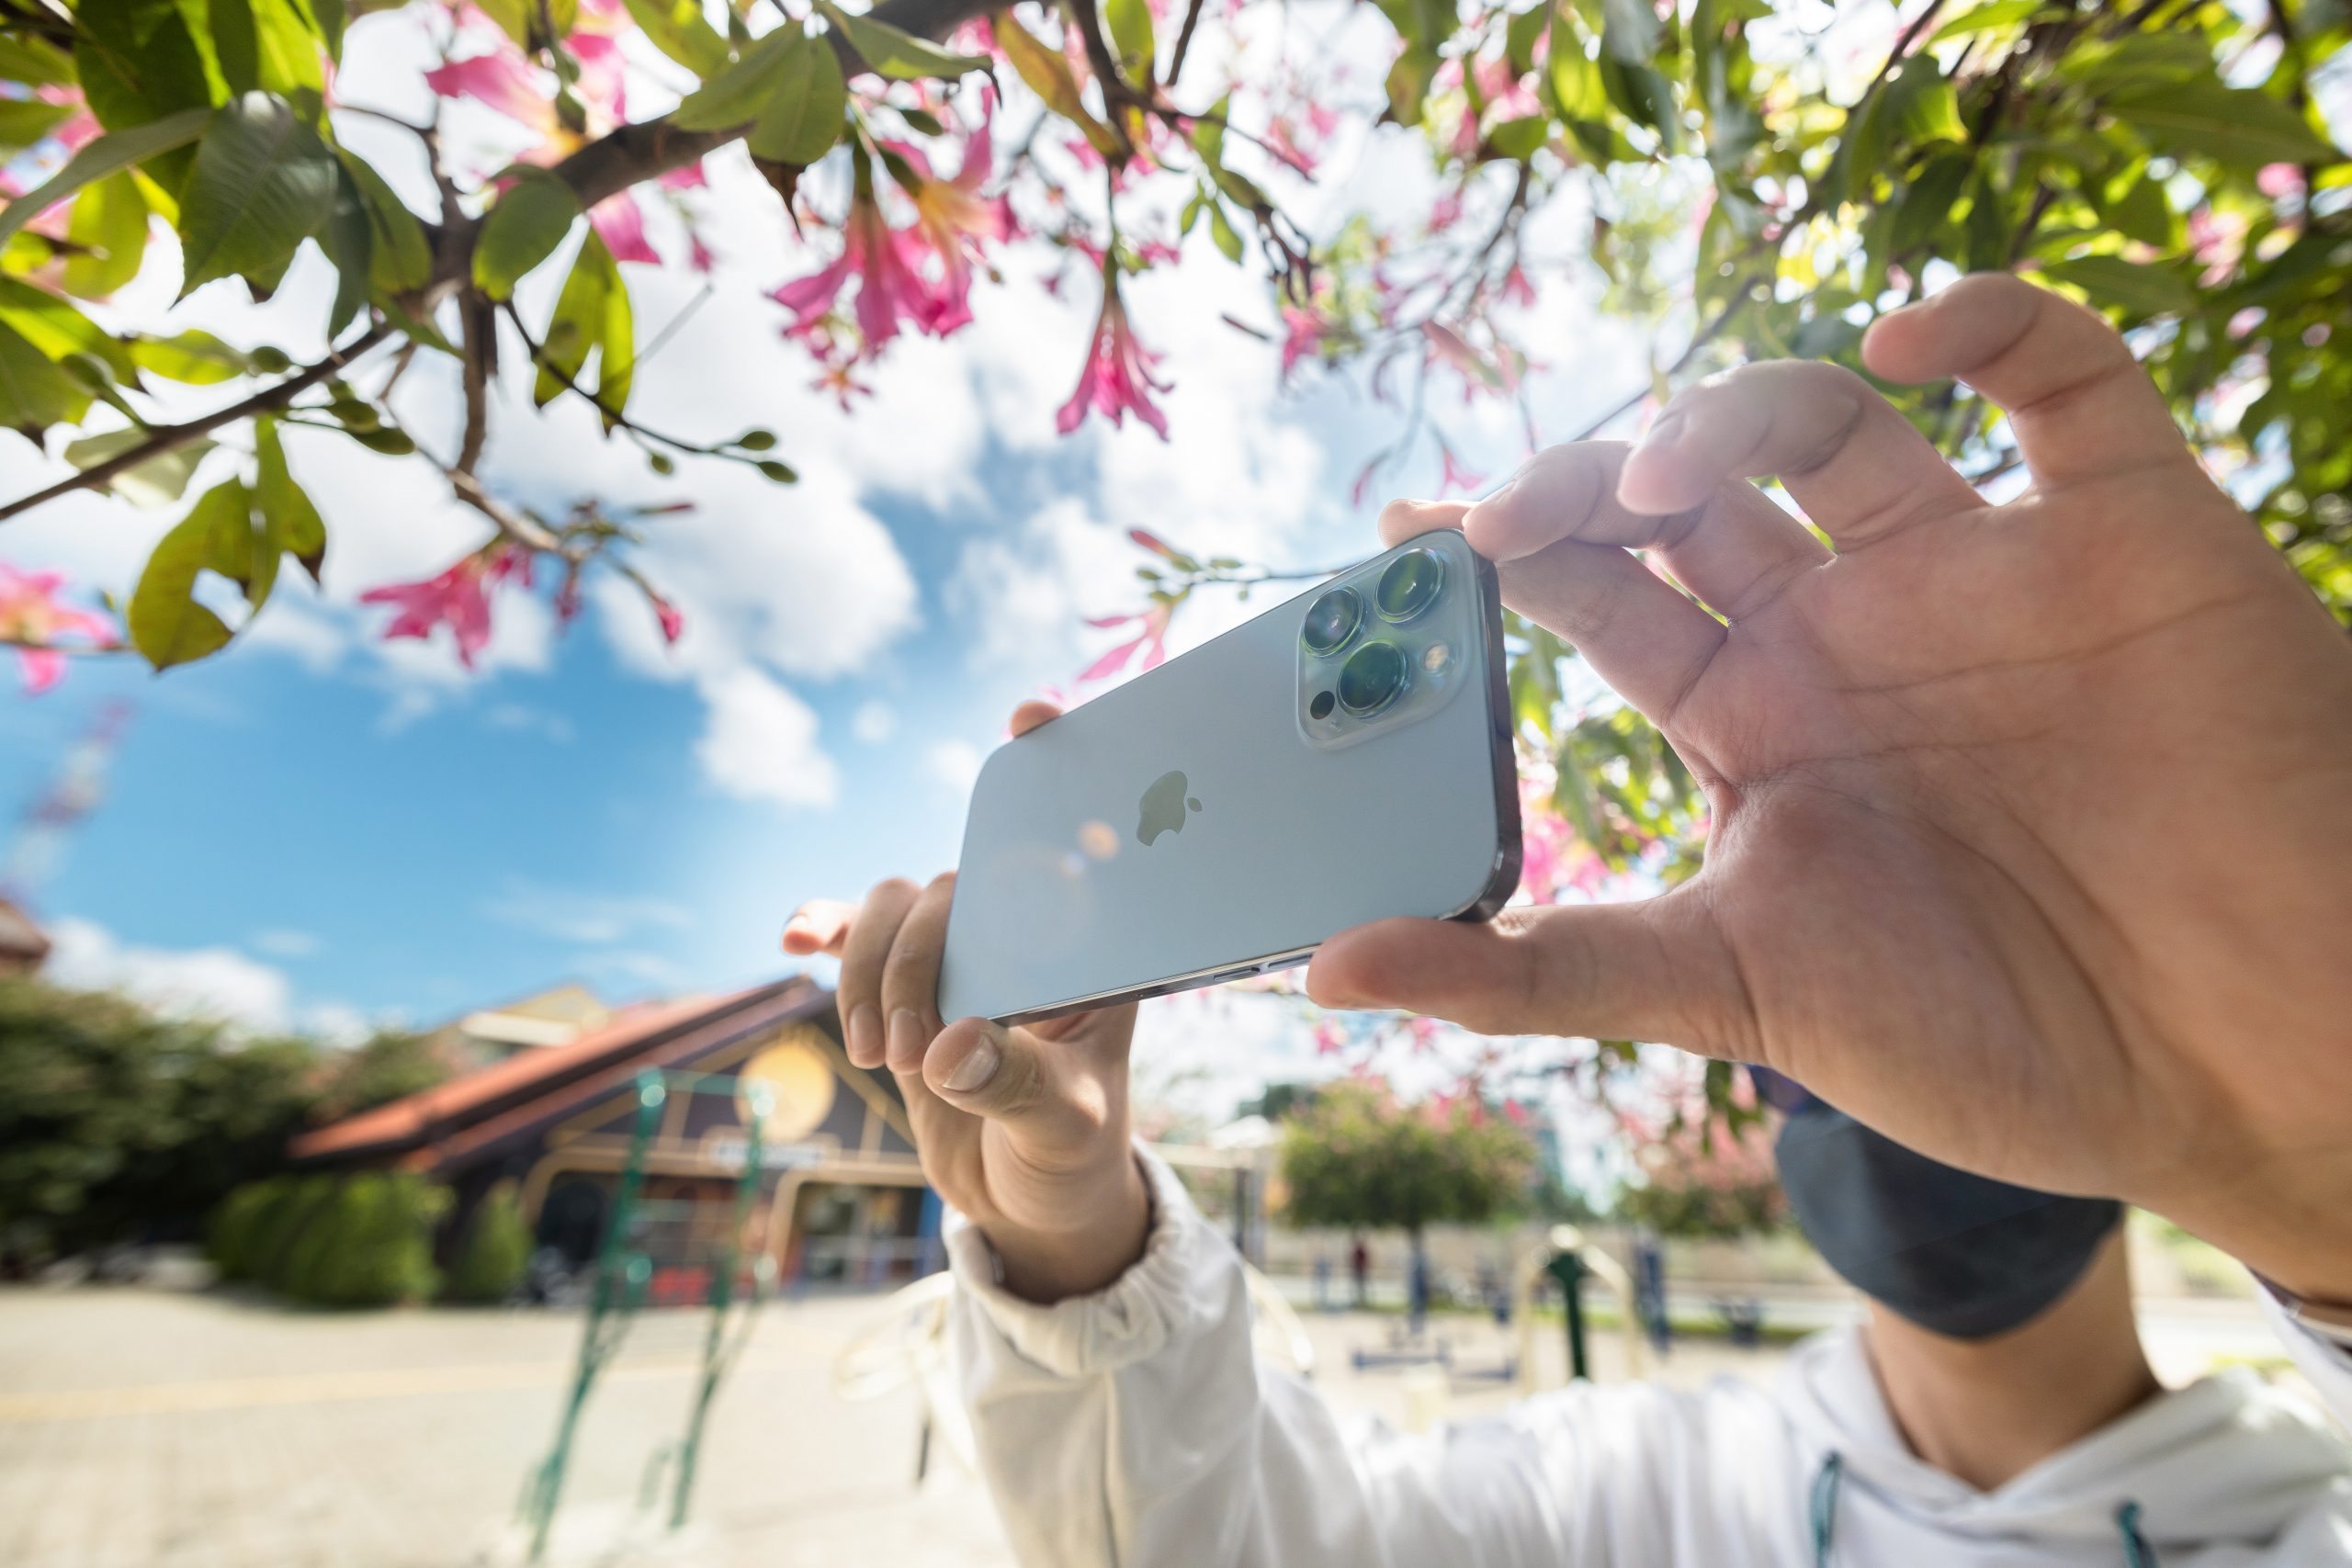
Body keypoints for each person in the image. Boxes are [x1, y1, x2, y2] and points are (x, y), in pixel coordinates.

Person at [782, 276, 2352, 1558]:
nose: (1878, 1110)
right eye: (1810, 1076)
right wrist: (1078, 1248)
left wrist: (2316, 1158)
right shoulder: (1629, 1489)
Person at [1349, 1235, 1369, 1310]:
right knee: (1358, 1287)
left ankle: (1360, 1301)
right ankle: (1357, 1301)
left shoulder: (1360, 1251)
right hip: (1358, 1270)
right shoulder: (1358, 1251)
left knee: (1360, 1287)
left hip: (1360, 1270)